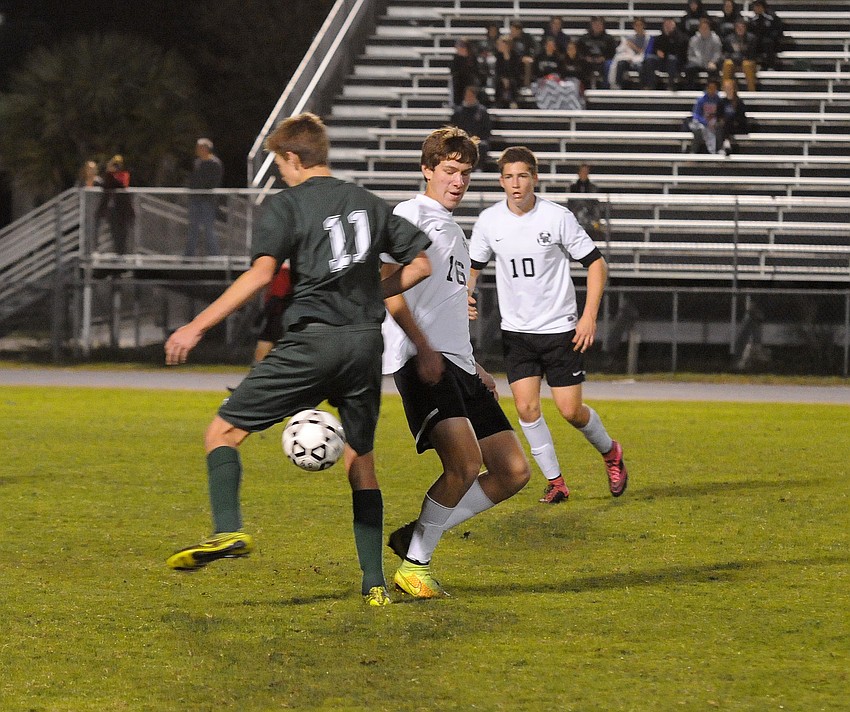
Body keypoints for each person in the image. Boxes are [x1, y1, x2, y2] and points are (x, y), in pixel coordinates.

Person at [163, 113, 433, 607]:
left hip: (313, 341)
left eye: (279, 163)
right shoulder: (368, 202)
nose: (280, 173)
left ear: (293, 157)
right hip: (364, 345)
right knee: (361, 460)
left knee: (222, 433)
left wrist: (196, 326)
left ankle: (228, 531)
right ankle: (374, 585)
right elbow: (420, 264)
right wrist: (372, 295)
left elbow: (261, 275)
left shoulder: (287, 204)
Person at [381, 127, 531, 599]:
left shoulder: (455, 229)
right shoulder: (410, 214)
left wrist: (475, 364)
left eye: (465, 173)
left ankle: (420, 537)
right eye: (449, 170)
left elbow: (445, 303)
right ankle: (415, 565)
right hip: (421, 360)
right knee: (464, 465)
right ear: (427, 170)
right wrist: (424, 349)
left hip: (458, 364)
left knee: (512, 471)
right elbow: (386, 287)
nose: (458, 180)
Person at [468, 146, 628, 505]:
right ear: (500, 181)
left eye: (522, 175)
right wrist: (466, 293)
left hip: (559, 331)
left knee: (571, 411)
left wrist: (588, 317)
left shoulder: (556, 217)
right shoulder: (489, 221)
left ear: (534, 178)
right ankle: (556, 482)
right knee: (526, 408)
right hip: (517, 333)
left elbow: (597, 264)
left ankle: (610, 452)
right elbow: (472, 268)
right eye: (508, 177)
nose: (516, 184)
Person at [185, 138, 224, 257]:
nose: (197, 150)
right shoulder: (197, 162)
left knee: (208, 230)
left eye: (199, 147)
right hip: (195, 200)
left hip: (207, 201)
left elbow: (214, 182)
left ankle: (215, 257)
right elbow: (193, 180)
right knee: (193, 229)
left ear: (205, 149)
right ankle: (188, 257)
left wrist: (203, 190)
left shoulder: (215, 164)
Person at [96, 154, 134, 254]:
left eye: (118, 164)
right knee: (114, 232)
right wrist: (109, 172)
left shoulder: (124, 175)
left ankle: (122, 253)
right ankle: (117, 252)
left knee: (123, 233)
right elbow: (106, 186)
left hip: (123, 208)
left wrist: (112, 175)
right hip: (112, 209)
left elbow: (121, 184)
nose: (116, 167)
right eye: (115, 164)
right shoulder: (109, 176)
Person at [450, 85, 492, 167]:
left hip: (478, 140)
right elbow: (453, 127)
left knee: (481, 146)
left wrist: (476, 139)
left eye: (471, 95)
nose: (469, 97)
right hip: (462, 140)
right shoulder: (458, 112)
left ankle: (478, 168)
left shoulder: (482, 111)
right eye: (467, 95)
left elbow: (486, 129)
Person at [642, 17, 689, 90]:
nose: (667, 26)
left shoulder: (681, 38)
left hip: (676, 63)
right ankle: (650, 85)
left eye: (669, 24)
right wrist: (657, 52)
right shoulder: (659, 38)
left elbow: (679, 51)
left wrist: (671, 35)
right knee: (649, 59)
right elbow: (655, 49)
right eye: (666, 24)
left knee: (671, 58)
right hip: (662, 62)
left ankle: (671, 85)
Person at [609, 16, 650, 90]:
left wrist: (634, 48)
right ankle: (618, 86)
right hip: (629, 60)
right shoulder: (629, 38)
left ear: (644, 26)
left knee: (641, 67)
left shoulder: (648, 39)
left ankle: (643, 88)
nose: (638, 27)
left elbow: (645, 52)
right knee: (621, 63)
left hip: (641, 61)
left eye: (640, 25)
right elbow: (622, 50)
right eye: (636, 25)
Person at [577, 16, 618, 89]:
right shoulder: (584, 38)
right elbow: (579, 51)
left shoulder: (609, 39)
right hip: (588, 61)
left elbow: (613, 53)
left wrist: (604, 58)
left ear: (603, 26)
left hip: (603, 61)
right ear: (591, 25)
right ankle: (584, 87)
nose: (597, 26)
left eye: (599, 24)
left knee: (609, 64)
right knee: (580, 63)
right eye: (595, 24)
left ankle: (606, 87)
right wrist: (586, 57)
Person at [684, 16, 722, 89]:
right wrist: (698, 62)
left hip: (710, 63)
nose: (704, 30)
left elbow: (717, 53)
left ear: (709, 29)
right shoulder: (694, 39)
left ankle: (711, 91)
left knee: (714, 70)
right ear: (699, 29)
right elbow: (690, 55)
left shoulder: (715, 39)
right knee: (689, 68)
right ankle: (690, 89)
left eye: (706, 28)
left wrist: (713, 62)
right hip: (697, 63)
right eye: (702, 28)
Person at [568, 163, 604, 240]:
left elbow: (595, 206)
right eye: (582, 171)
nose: (584, 174)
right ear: (578, 173)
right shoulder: (572, 188)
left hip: (589, 219)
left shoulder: (593, 188)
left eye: (586, 172)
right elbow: (570, 205)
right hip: (576, 218)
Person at [687, 76, 722, 153]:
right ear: (707, 88)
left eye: (714, 88)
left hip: (713, 122)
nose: (712, 90)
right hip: (702, 122)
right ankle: (694, 151)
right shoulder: (701, 100)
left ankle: (719, 149)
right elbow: (696, 115)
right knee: (699, 130)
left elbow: (720, 114)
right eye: (710, 88)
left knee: (720, 128)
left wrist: (714, 121)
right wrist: (705, 122)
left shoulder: (719, 100)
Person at [722, 18, 758, 92]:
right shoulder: (729, 39)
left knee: (746, 64)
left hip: (747, 61)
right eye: (738, 27)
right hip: (734, 61)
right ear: (735, 28)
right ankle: (725, 90)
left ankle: (751, 90)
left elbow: (753, 54)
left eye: (742, 27)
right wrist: (734, 57)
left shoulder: (752, 38)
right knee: (727, 63)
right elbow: (725, 53)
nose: (740, 29)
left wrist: (742, 54)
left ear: (745, 28)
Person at [716, 78, 749, 155]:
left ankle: (725, 142)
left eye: (730, 88)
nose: (728, 90)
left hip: (737, 126)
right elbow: (718, 115)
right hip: (725, 127)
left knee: (727, 121)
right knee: (721, 125)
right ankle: (724, 144)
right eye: (726, 88)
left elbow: (741, 118)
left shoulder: (739, 102)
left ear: (734, 88)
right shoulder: (721, 102)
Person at [748, 0, 784, 70]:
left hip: (771, 42)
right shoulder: (752, 20)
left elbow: (778, 31)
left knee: (767, 42)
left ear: (763, 7)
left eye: (758, 6)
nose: (756, 8)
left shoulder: (772, 18)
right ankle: (753, 64)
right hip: (758, 43)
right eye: (755, 6)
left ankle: (770, 66)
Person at [449, 39, 483, 107]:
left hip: (470, 85)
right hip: (459, 86)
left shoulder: (473, 58)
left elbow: (476, 73)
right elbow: (453, 72)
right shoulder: (456, 59)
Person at [493, 34, 523, 108]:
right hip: (501, 78)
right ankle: (498, 103)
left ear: (506, 45)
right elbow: (498, 70)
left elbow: (516, 71)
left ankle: (513, 102)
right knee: (499, 83)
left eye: (500, 44)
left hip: (513, 78)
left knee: (512, 83)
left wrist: (508, 79)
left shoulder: (515, 55)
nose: (498, 46)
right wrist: (503, 79)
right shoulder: (498, 55)